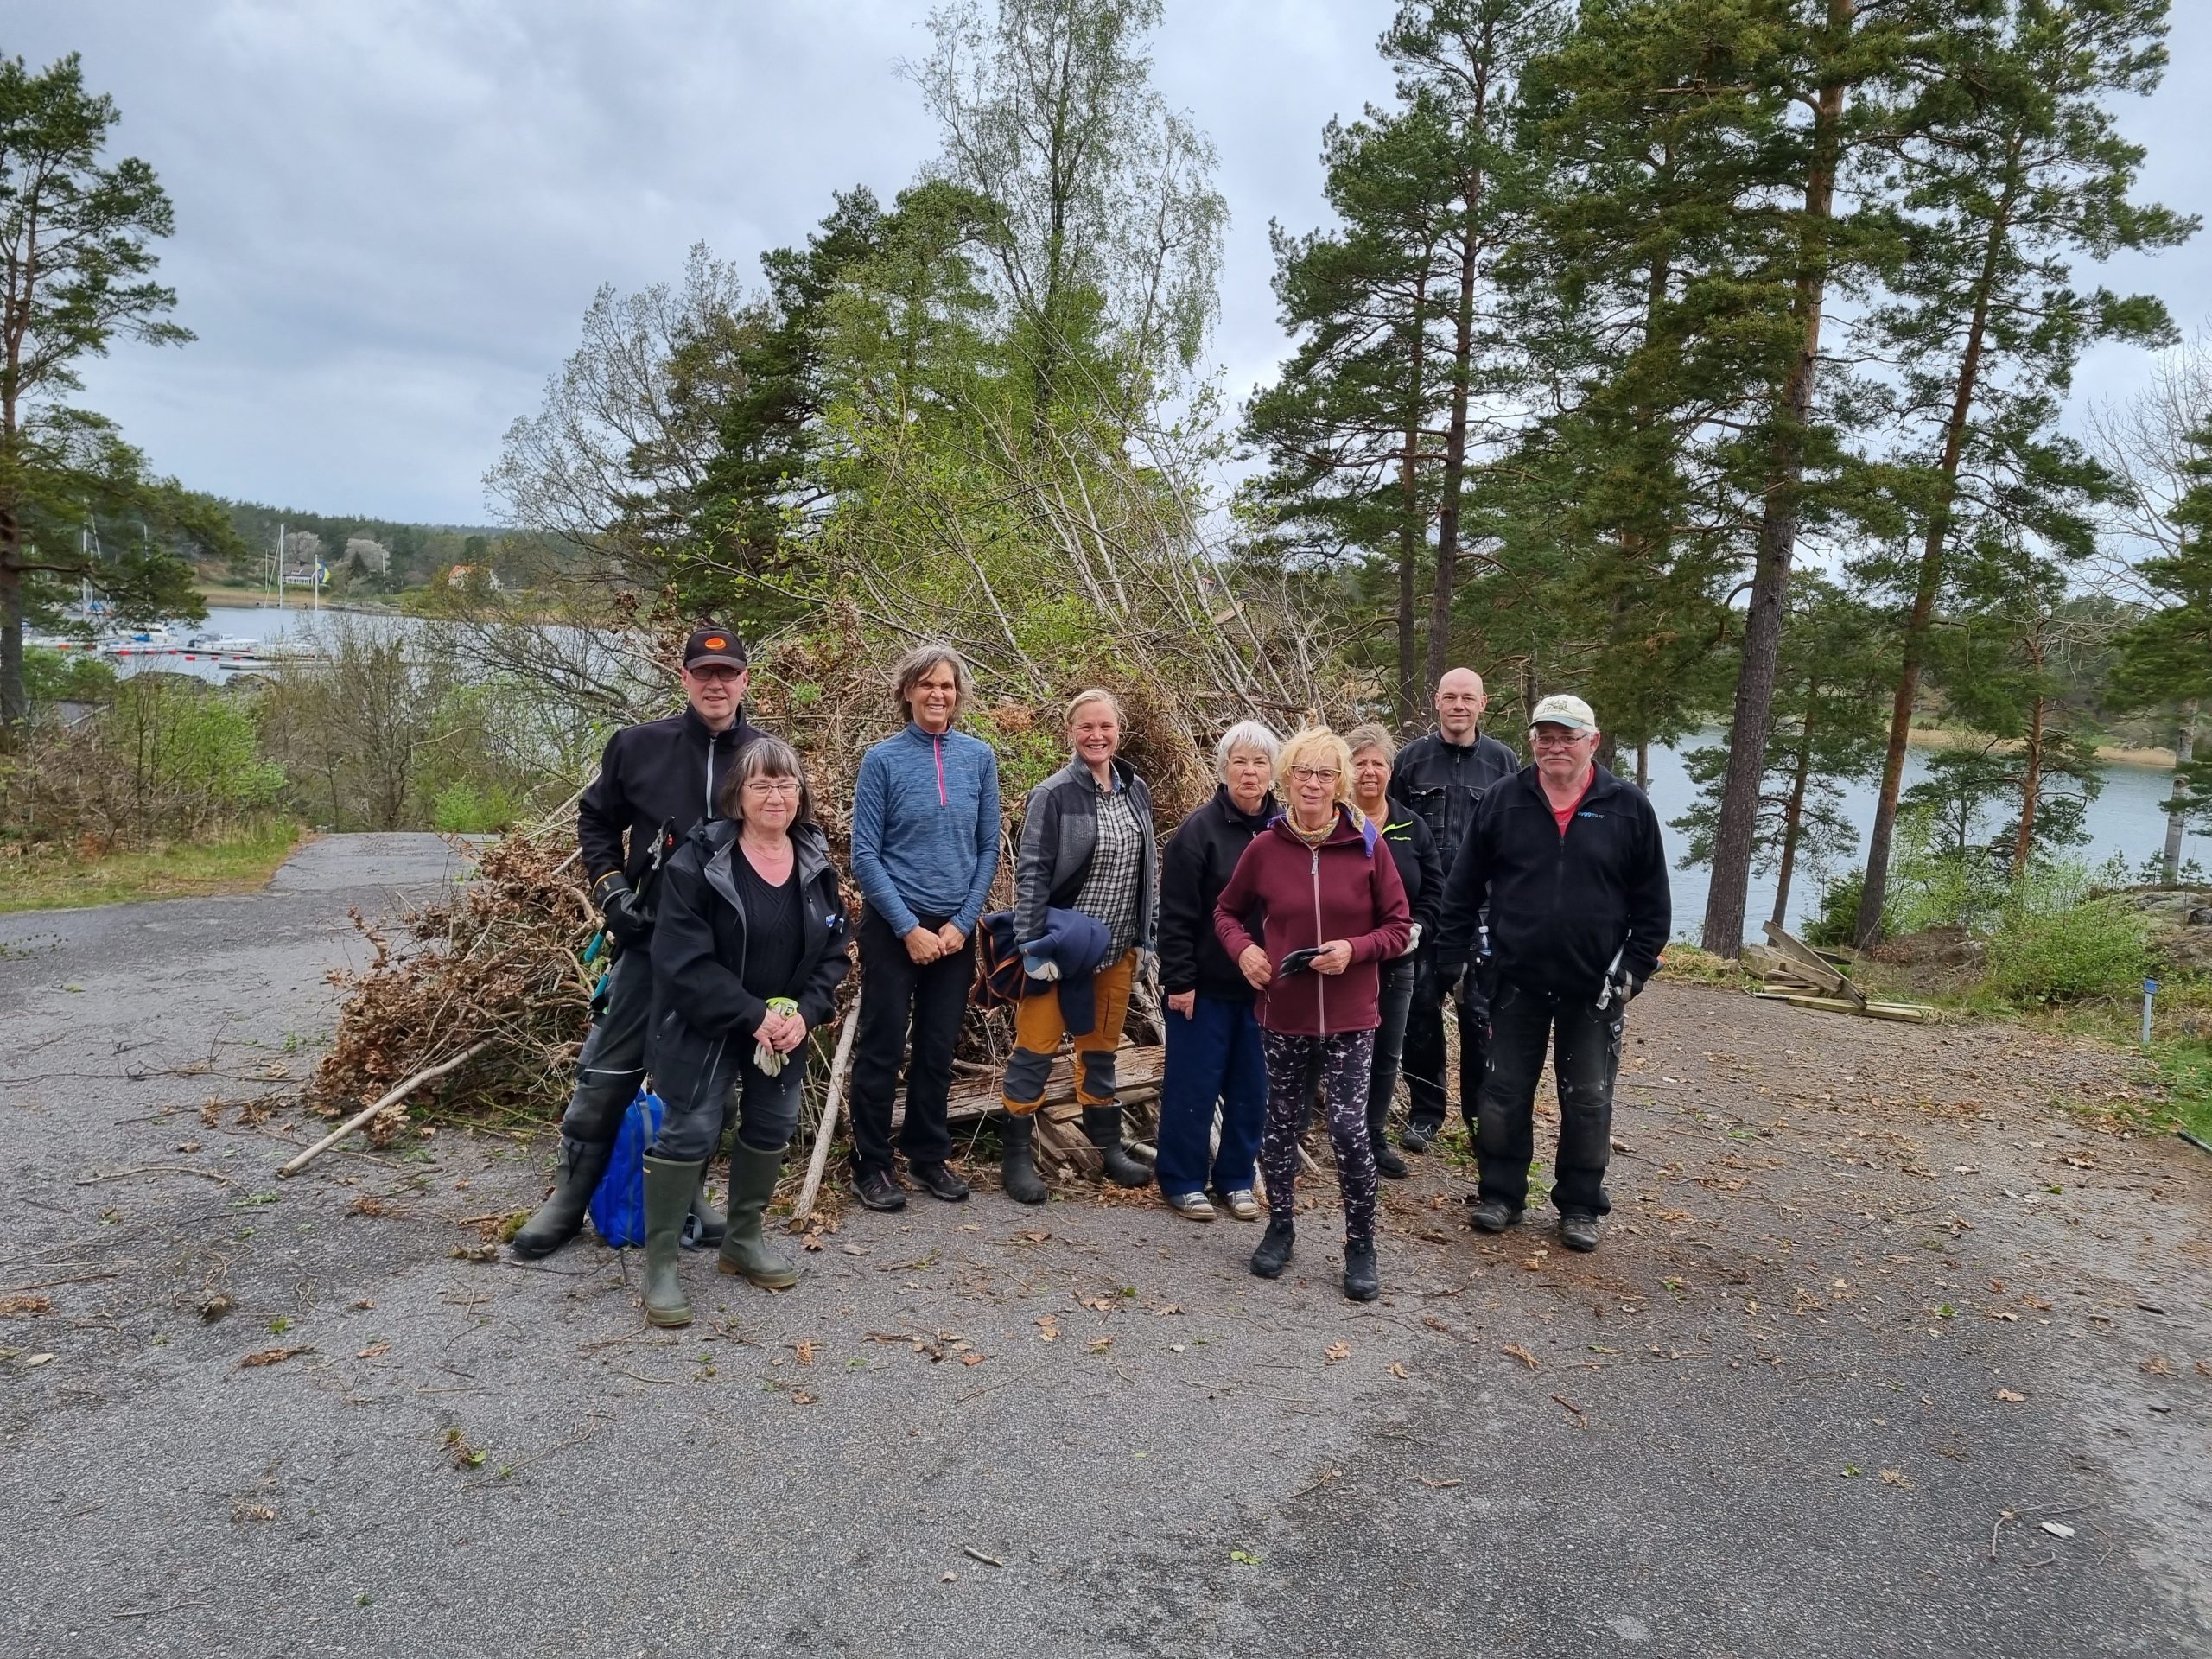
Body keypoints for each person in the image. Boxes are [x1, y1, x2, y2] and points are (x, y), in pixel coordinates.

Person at [511, 626, 768, 1261]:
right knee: (607, 1072)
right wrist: (613, 894)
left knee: (710, 1085)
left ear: (744, 681)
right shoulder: (638, 746)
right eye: (704, 674)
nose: (716, 684)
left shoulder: (766, 756)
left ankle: (690, 1192)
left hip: (726, 958)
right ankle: (570, 1196)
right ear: (683, 679)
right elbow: (596, 820)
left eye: (727, 673)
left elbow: (788, 843)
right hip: (649, 942)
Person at [1434, 694, 1669, 1254]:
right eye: (1545, 735)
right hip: (1513, 982)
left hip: (1594, 988)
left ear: (1594, 741)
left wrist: (1632, 972)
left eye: (1567, 736)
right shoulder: (1503, 801)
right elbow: (1461, 892)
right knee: (1503, 1094)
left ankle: (1581, 1205)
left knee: (1588, 1099)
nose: (1554, 746)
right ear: (1532, 740)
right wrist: (1453, 960)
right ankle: (1501, 1194)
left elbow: (1654, 909)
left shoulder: (1628, 807)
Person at [636, 738, 851, 1326]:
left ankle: (743, 1241)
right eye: (762, 784)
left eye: (786, 784)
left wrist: (805, 1014)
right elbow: (682, 961)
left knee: (772, 1125)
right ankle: (661, 1267)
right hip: (707, 1023)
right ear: (738, 795)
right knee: (692, 1131)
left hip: (784, 1029)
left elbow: (835, 949)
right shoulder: (698, 863)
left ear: (800, 795)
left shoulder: (815, 860)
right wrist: (753, 1014)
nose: (776, 795)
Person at [1214, 728, 1411, 1302]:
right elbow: (1226, 912)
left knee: (1350, 1131)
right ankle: (1281, 1230)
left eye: (1326, 774)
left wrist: (1355, 950)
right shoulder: (1265, 848)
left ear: (1341, 781)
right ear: (1288, 778)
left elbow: (1400, 927)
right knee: (1279, 1126)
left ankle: (1360, 1244)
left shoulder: (1369, 845)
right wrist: (1246, 951)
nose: (1314, 784)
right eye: (1304, 772)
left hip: (1352, 1014)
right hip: (1284, 1011)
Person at [844, 645, 1001, 1213]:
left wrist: (963, 923)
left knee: (936, 1049)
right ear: (907, 691)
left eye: (948, 686)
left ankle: (928, 1154)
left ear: (958, 695)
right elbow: (865, 854)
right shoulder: (882, 760)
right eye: (927, 685)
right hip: (893, 926)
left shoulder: (979, 758)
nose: (938, 694)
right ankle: (872, 1164)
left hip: (955, 931)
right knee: (883, 1047)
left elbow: (989, 847)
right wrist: (909, 927)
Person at [996, 688, 1157, 1202]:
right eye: (1085, 727)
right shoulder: (1054, 793)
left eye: (1105, 726)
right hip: (1059, 949)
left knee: (1101, 1049)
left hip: (1114, 950)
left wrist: (1145, 938)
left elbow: (1148, 867)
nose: (1096, 735)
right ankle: (1016, 1157)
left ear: (1118, 729)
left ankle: (1107, 1146)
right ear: (1071, 733)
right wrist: (1030, 945)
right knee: (1035, 1050)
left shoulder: (1136, 789)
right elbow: (1032, 872)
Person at [1153, 721, 1281, 1223]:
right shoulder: (1197, 831)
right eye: (1239, 762)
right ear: (1223, 768)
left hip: (1265, 990)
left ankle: (1235, 1179)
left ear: (1274, 772)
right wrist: (1179, 980)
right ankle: (1183, 1181)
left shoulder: (1285, 831)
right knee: (1194, 1087)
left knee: (1253, 1088)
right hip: (1204, 988)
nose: (1249, 773)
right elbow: (1177, 914)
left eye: (1260, 763)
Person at [1390, 667, 1519, 1154]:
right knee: (1419, 1013)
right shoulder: (1411, 761)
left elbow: (1518, 836)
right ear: (1436, 703)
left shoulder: (1504, 763)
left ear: (1483, 704)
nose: (1459, 706)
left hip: (1485, 914)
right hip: (1427, 911)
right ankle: (1426, 1112)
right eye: (1450, 698)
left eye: (1468, 698)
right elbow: (1391, 832)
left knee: (1480, 1019)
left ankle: (1480, 1117)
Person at [1345, 724, 1440, 1181]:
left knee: (1386, 1051)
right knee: (1327, 1047)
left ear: (1391, 770)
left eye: (1378, 763)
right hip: (1342, 963)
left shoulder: (1411, 826)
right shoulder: (1331, 822)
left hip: (1398, 961)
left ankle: (1372, 1136)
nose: (1369, 772)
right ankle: (1306, 1130)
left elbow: (1436, 891)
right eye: (1360, 762)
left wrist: (1419, 927)